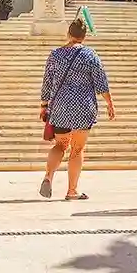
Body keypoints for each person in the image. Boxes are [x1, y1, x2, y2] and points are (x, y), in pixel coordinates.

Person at [39, 19, 114, 201]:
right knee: (77, 149)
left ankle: (48, 176)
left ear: (68, 33)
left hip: (60, 107)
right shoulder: (90, 55)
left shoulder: (55, 54)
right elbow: (101, 83)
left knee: (60, 145)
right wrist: (110, 103)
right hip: (83, 107)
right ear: (84, 36)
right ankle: (72, 191)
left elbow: (47, 82)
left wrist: (43, 105)